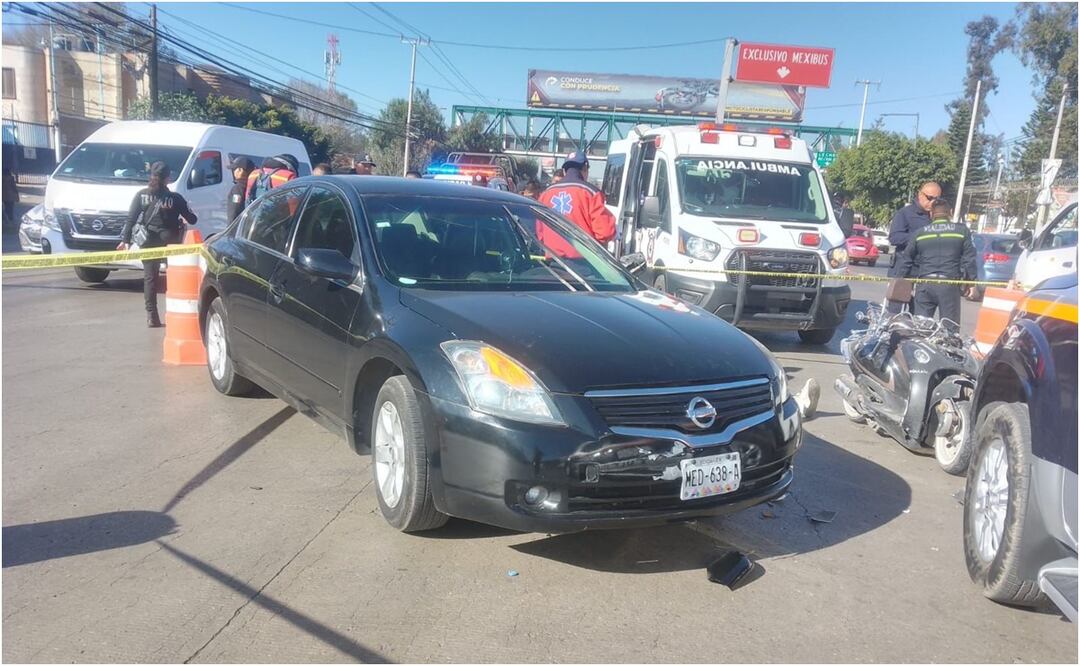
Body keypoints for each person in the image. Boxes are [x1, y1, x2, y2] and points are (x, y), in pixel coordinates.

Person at [118, 162, 197, 328]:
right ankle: (177, 313)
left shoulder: (141, 195)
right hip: (170, 241)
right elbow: (192, 219)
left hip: (148, 241)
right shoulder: (175, 198)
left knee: (150, 278)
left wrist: (125, 240)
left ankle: (152, 316)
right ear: (168, 178)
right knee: (174, 278)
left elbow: (131, 219)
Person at [894, 199, 977, 324]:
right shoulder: (961, 231)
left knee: (920, 328)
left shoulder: (920, 233)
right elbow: (969, 259)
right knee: (950, 329)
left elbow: (906, 259)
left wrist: (900, 282)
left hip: (924, 285)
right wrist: (971, 283)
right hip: (949, 286)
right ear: (950, 212)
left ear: (931, 214)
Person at [538, 151, 616, 245]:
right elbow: (605, 232)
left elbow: (540, 232)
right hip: (583, 257)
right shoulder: (591, 193)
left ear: (564, 171)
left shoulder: (546, 193)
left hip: (553, 256)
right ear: (585, 168)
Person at [887, 181, 941, 276]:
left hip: (927, 270)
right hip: (904, 269)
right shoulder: (905, 213)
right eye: (930, 198)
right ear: (920, 194)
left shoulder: (937, 217)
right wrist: (921, 237)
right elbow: (894, 237)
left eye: (936, 199)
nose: (932, 202)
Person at [226, 157, 254, 224]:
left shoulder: (237, 189)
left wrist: (230, 228)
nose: (233, 171)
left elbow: (234, 210)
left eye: (234, 169)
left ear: (240, 170)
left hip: (238, 228)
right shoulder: (252, 185)